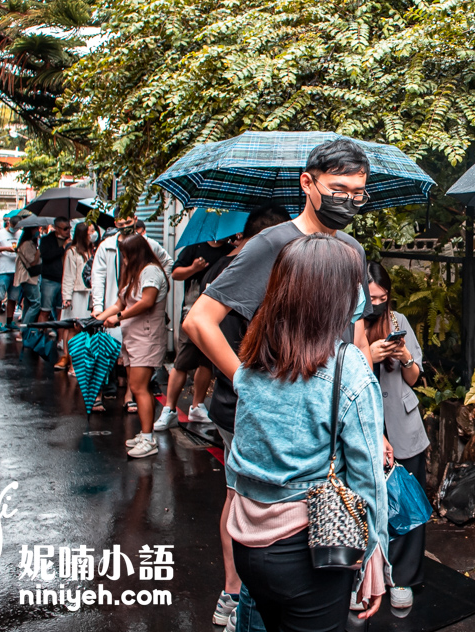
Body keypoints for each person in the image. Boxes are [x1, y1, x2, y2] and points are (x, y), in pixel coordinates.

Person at [226, 235, 389, 631]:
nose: (360, 297)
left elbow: (239, 459)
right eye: (353, 286)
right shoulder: (347, 367)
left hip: (246, 542)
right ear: (332, 296)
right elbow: (369, 477)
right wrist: (374, 553)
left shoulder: (254, 356)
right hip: (312, 547)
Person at [184, 137, 375, 400]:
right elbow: (198, 321)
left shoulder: (353, 249)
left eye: (357, 194)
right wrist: (250, 388)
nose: (348, 202)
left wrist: (368, 411)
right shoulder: (272, 243)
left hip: (337, 407)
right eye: (338, 191)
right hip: (285, 410)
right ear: (307, 183)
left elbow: (359, 338)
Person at [199, 204, 289, 630]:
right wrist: (246, 382)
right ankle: (235, 592)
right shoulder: (248, 278)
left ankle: (236, 592)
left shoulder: (228, 271)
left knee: (241, 496)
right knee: (244, 499)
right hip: (241, 406)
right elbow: (200, 327)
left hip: (234, 402)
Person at [365, 261, 429, 613]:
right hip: (366, 426)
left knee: (407, 501)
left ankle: (403, 578)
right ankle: (369, 575)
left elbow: (415, 378)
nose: (377, 303)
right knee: (368, 504)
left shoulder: (399, 321)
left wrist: (404, 357)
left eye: (383, 297)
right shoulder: (351, 323)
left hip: (403, 424)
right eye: (371, 297)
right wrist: (368, 355)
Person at [95, 233, 170, 458]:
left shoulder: (151, 272)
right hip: (133, 338)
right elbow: (120, 302)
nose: (123, 259)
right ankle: (144, 433)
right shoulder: (134, 274)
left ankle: (148, 439)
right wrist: (97, 318)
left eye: (126, 255)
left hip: (146, 338)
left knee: (140, 388)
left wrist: (118, 317)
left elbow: (146, 302)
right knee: (136, 387)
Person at [154, 235, 231, 431]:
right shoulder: (194, 247)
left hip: (217, 315)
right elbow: (176, 273)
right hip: (192, 312)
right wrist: (194, 269)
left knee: (206, 362)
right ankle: (169, 409)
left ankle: (197, 406)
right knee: (182, 362)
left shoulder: (230, 251)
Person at [58, 223, 97, 373]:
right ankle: (73, 365)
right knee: (75, 329)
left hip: (89, 295)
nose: (94, 234)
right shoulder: (72, 252)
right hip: (77, 295)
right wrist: (66, 297)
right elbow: (68, 276)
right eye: (91, 231)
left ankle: (83, 364)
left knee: (87, 330)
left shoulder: (93, 251)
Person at [0, 216, 22, 333]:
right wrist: (5, 249)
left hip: (16, 270)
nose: (15, 230)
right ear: (8, 223)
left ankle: (9, 321)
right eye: (13, 227)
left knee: (13, 298)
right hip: (3, 270)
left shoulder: (21, 234)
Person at [37, 216, 71, 325]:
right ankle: (41, 337)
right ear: (57, 228)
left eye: (69, 228)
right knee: (45, 310)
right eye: (65, 228)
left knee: (62, 311)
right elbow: (46, 256)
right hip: (50, 279)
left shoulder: (71, 240)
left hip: (64, 279)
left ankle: (60, 339)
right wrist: (62, 248)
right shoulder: (46, 240)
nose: (68, 231)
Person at [14, 226, 42, 331]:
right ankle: (24, 330)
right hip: (28, 277)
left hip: (31, 277)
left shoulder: (30, 243)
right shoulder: (26, 244)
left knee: (28, 303)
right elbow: (33, 262)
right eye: (36, 229)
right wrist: (39, 251)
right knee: (36, 303)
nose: (38, 231)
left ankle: (24, 330)